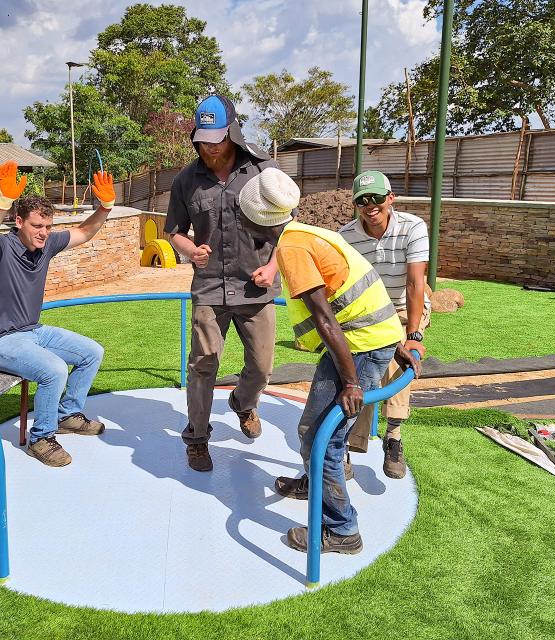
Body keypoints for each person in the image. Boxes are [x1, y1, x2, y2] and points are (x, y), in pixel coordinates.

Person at [235, 167, 420, 554]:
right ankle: (313, 481)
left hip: (359, 347)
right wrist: (394, 339)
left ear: (255, 219)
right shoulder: (307, 233)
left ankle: (341, 529)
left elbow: (324, 317)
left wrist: (352, 381)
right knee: (314, 431)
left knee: (322, 437)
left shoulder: (292, 248)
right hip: (370, 339)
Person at [165, 94, 282, 472]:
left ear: (233, 130)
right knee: (202, 365)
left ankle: (243, 403)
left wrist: (274, 268)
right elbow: (173, 232)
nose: (210, 145)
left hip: (255, 287)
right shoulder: (186, 179)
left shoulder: (264, 171)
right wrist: (188, 249)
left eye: (217, 136)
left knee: (262, 366)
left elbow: (288, 232)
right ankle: (197, 437)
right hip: (210, 287)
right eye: (203, 138)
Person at [0, 161, 116, 467]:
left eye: (48, 227)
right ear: (19, 221)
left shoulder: (47, 244)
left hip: (32, 331)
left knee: (92, 352)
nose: (44, 233)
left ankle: (68, 415)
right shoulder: (0, 248)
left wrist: (105, 207)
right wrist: (1, 202)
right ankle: (41, 438)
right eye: (37, 226)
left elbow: (83, 232)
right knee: (54, 370)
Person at [339, 170, 430, 479]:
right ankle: (349, 444)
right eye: (362, 200)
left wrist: (414, 335)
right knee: (361, 370)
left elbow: (415, 283)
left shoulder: (412, 227)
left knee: (400, 362)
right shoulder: (346, 236)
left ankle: (393, 435)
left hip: (405, 308)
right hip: (368, 312)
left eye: (377, 198)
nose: (370, 205)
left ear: (391, 198)